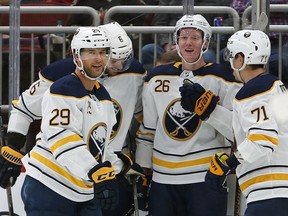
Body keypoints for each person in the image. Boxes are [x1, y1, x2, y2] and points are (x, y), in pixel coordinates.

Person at [0, 24, 146, 215]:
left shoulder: (107, 93)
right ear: (78, 56)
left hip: (89, 182)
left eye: (122, 60)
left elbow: (100, 142)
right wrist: (13, 147)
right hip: (53, 181)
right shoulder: (60, 84)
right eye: (92, 52)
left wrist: (121, 164)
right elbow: (55, 132)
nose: (119, 66)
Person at [135, 14, 242, 216]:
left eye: (195, 37)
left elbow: (238, 132)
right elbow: (148, 129)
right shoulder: (157, 78)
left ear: (206, 42)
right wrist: (143, 170)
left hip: (206, 177)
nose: (189, 42)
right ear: (176, 42)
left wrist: (211, 111)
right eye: (183, 37)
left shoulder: (224, 79)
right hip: (163, 179)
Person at [205, 29, 288, 216]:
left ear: (241, 59)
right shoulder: (276, 87)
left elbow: (262, 141)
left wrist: (229, 163)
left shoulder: (253, 91)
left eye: (232, 57)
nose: (231, 64)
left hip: (270, 192)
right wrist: (211, 113)